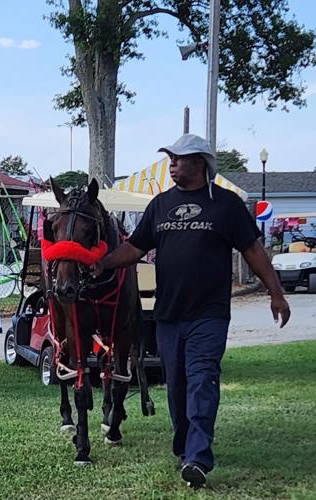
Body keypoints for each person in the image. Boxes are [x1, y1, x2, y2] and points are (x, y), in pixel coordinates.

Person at [91, 134, 290, 488]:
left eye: (179, 159)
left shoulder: (225, 205)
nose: (172, 165)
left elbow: (254, 251)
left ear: (200, 163)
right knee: (177, 386)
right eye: (170, 159)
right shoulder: (160, 204)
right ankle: (186, 445)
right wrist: (102, 263)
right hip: (168, 314)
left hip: (208, 314)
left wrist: (276, 293)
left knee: (201, 380)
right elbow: (135, 248)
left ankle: (198, 457)